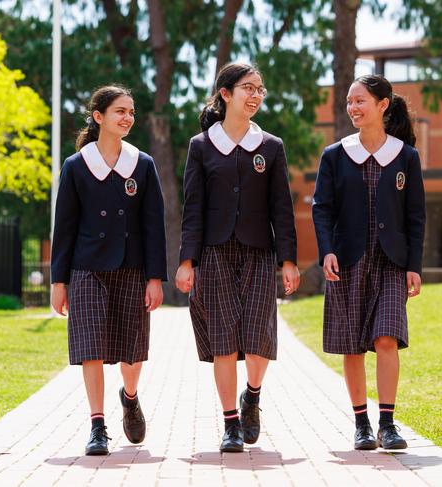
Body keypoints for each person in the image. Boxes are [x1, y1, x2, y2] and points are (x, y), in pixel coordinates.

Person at [176, 62, 300, 453]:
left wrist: (289, 259)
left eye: (260, 89)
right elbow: (192, 208)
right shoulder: (200, 146)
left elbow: (283, 207)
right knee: (224, 337)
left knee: (260, 337)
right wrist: (186, 260)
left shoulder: (271, 146)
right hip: (214, 252)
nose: (256, 95)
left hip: (260, 251)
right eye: (248, 88)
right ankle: (230, 422)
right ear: (225, 94)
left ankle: (253, 395)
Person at [50, 85, 167, 455]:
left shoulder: (143, 164)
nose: (127, 118)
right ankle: (97, 426)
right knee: (91, 349)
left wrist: (154, 278)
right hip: (87, 269)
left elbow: (154, 226)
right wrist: (59, 281)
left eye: (131, 111)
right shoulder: (76, 166)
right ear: (99, 117)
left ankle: (129, 398)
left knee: (132, 353)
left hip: (131, 269)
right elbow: (64, 227)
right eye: (120, 111)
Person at [312, 74, 425, 451]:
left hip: (391, 262)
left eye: (360, 101)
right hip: (347, 261)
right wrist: (326, 249)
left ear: (383, 104)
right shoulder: (335, 155)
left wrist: (414, 265)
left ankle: (387, 424)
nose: (353, 108)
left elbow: (416, 216)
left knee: (387, 338)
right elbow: (322, 209)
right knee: (352, 346)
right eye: (349, 102)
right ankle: (361, 424)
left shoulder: (406, 156)